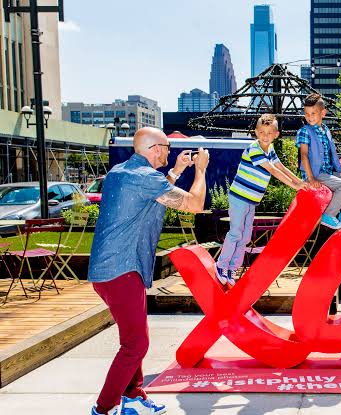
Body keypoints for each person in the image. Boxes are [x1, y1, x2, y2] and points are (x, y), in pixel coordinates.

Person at [87, 127, 210, 415]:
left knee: (133, 338)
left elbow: (154, 195)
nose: (169, 151)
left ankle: (133, 395)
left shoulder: (120, 172)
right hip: (123, 270)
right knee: (136, 344)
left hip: (107, 270)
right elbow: (195, 204)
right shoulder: (145, 178)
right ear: (155, 149)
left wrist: (176, 171)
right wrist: (200, 170)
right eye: (167, 147)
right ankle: (103, 408)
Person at [215, 114, 308, 286]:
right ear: (256, 132)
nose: (265, 136)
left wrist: (299, 181)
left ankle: (232, 268)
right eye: (262, 132)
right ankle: (221, 265)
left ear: (276, 135)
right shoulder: (254, 149)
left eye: (269, 132)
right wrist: (294, 186)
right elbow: (273, 170)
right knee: (236, 233)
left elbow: (280, 166)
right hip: (239, 198)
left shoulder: (270, 148)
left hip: (251, 201)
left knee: (245, 237)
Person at [296, 92, 341, 229]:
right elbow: (304, 155)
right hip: (315, 173)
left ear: (323, 113)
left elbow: (331, 151)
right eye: (307, 114)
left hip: (328, 172)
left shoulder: (326, 129)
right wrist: (311, 178)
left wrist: (338, 170)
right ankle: (328, 215)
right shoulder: (305, 131)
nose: (309, 117)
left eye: (313, 113)